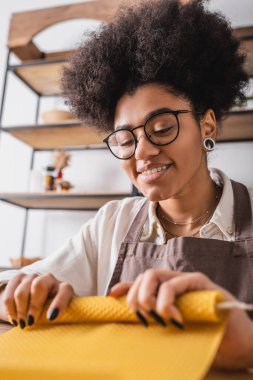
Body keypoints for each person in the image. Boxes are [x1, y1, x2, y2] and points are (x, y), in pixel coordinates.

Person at [0, 0, 253, 370]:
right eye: (124, 139)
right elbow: (16, 288)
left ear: (208, 125)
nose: (143, 152)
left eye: (163, 127)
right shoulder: (112, 223)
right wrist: (24, 289)